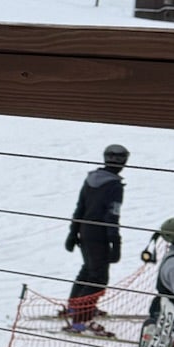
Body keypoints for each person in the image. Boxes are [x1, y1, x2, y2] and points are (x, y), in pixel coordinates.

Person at [64, 142, 129, 333]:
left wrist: (73, 232)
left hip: (85, 231)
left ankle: (75, 306)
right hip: (99, 235)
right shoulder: (114, 186)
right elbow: (112, 216)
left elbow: (80, 208)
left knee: (88, 269)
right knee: (98, 277)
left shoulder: (91, 179)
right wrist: (115, 243)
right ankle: (81, 319)